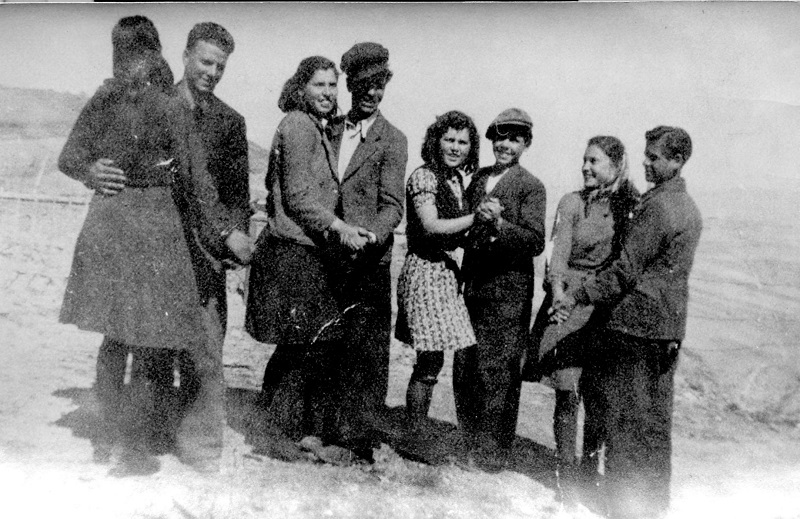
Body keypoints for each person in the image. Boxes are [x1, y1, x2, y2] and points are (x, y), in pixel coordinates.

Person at [58, 16, 238, 476]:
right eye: (128, 55)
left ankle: (118, 441)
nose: (132, 64)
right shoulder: (133, 101)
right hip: (139, 230)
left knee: (126, 337)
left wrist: (224, 234)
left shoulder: (135, 100)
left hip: (129, 228)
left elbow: (196, 182)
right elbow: (71, 157)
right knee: (137, 338)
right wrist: (90, 171)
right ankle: (126, 446)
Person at [555, 126, 702, 518]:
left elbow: (623, 271)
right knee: (655, 424)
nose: (646, 162)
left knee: (624, 422)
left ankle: (622, 509)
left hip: (635, 328)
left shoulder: (658, 207)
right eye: (646, 154)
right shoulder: (688, 206)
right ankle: (652, 506)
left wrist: (577, 295)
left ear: (677, 161)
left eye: (654, 157)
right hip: (667, 331)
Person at [245, 56, 372, 461]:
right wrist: (340, 227)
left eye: (333, 86)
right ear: (301, 88)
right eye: (319, 85)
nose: (328, 93)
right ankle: (276, 435)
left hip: (302, 250)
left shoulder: (311, 126)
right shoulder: (299, 125)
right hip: (292, 252)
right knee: (298, 345)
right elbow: (298, 196)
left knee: (301, 345)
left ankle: (283, 429)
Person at [147, 22, 253, 473]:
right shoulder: (156, 107)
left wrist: (233, 248)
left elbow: (236, 197)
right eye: (206, 62)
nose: (212, 72)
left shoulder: (230, 122)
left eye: (220, 66)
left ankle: (202, 448)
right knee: (154, 345)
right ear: (186, 55)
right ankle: (153, 433)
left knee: (206, 350)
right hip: (158, 247)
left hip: (207, 252)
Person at [525, 136, 639, 494]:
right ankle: (567, 475)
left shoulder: (628, 206)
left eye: (594, 161)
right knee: (567, 391)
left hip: (605, 307)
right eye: (584, 160)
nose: (585, 167)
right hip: (568, 305)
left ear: (615, 167)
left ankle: (589, 472)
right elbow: (558, 254)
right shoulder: (571, 202)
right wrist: (560, 295)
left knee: (598, 396)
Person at [327, 42, 407, 462]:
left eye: (380, 86)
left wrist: (369, 237)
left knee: (367, 352)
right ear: (350, 86)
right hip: (327, 256)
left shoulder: (393, 139)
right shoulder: (330, 128)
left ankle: (359, 438)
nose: (372, 94)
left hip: (368, 261)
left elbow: (393, 206)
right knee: (327, 345)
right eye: (364, 86)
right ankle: (323, 427)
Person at [395, 110, 496, 448]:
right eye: (449, 139)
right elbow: (431, 226)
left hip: (446, 275)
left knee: (434, 360)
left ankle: (416, 432)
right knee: (429, 360)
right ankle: (414, 437)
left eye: (462, 142)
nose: (455, 147)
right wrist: (476, 218)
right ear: (435, 141)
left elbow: (457, 231)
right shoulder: (424, 177)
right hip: (425, 272)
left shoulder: (455, 180)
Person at [455, 108, 546, 470]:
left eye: (515, 139)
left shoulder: (531, 186)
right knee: (466, 367)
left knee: (498, 372)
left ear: (526, 145)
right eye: (501, 137)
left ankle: (493, 454)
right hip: (474, 288)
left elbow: (535, 241)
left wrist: (499, 224)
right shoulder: (479, 178)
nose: (506, 145)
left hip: (508, 295)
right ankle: (468, 444)